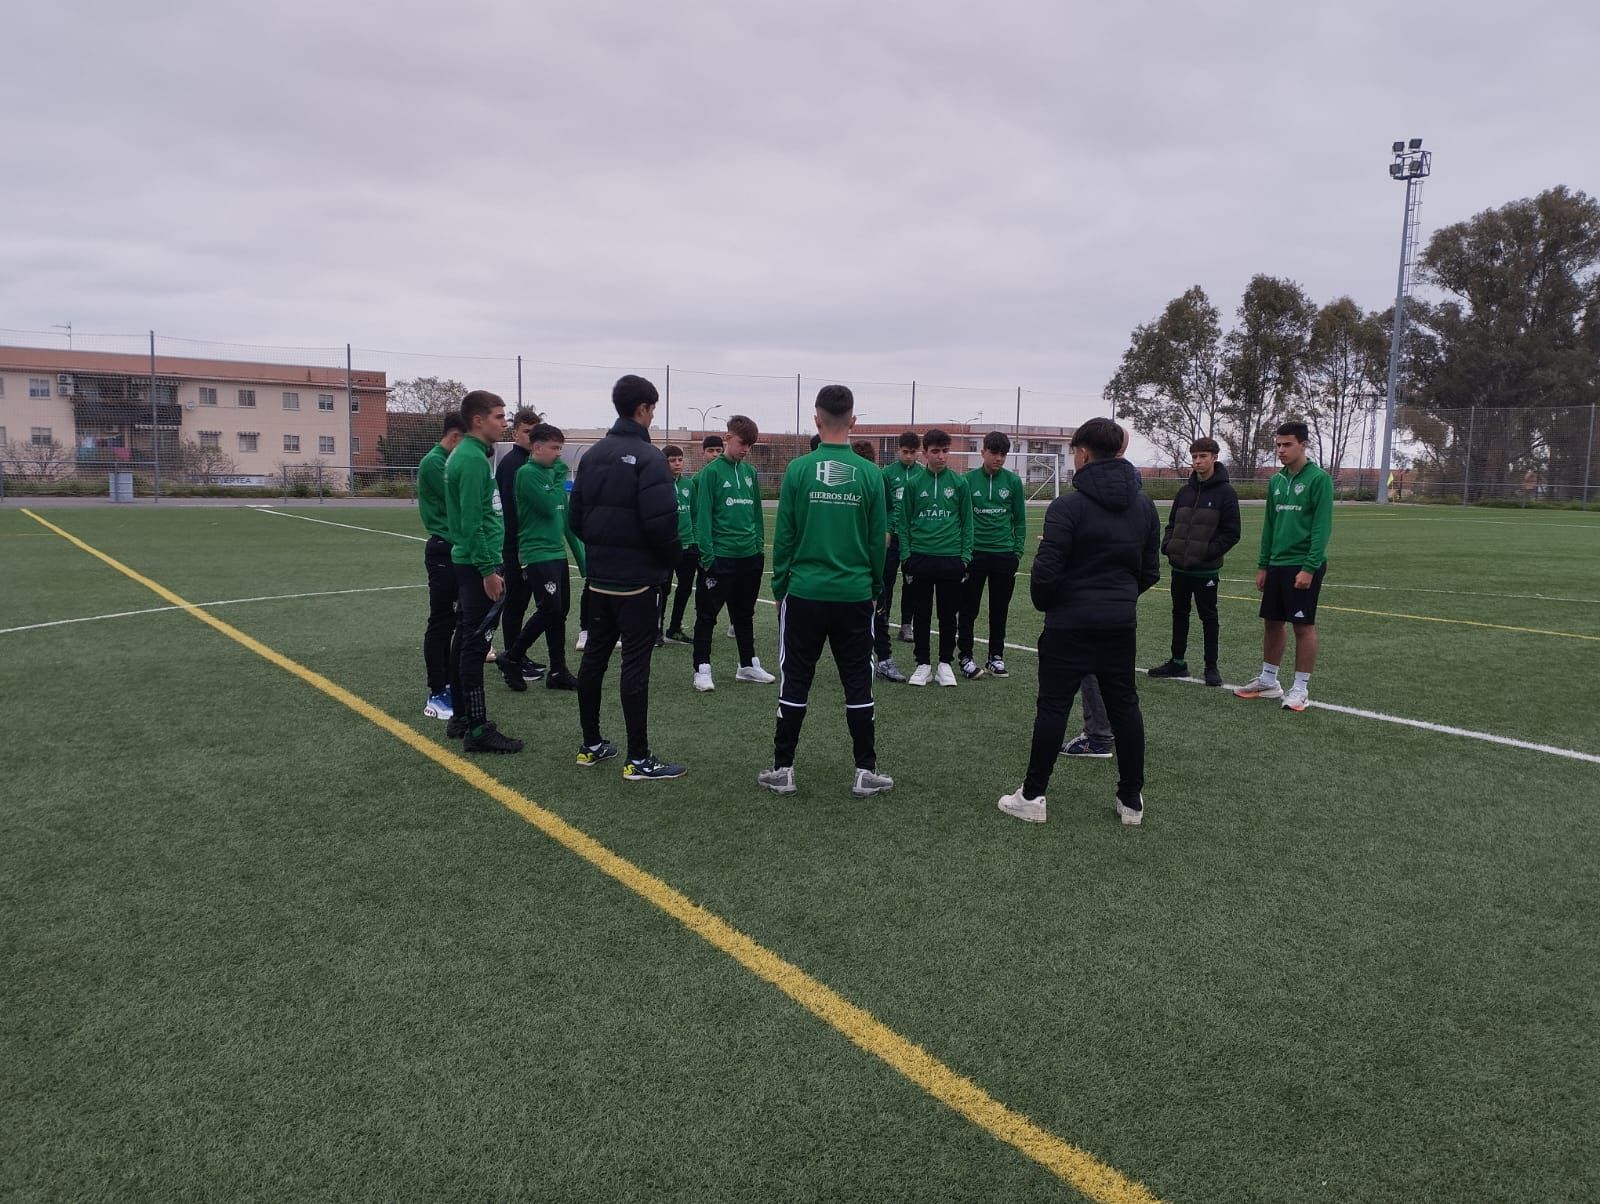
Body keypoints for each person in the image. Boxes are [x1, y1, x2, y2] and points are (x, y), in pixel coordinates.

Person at [998, 417, 1158, 825]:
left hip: (1069, 625)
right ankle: (1131, 801)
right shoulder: (1143, 505)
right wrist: (1119, 599)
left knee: (1052, 707)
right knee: (1125, 707)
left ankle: (1032, 797)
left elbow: (1046, 575)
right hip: (1119, 625)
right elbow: (1149, 571)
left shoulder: (1067, 505)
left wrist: (1057, 603)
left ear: (1084, 453)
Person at [758, 385, 894, 798]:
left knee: (795, 679)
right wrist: (874, 589)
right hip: (854, 595)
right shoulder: (871, 474)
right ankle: (864, 771)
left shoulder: (799, 471)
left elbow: (784, 538)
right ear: (853, 421)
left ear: (816, 420)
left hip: (804, 593)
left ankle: (783, 770)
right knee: (858, 681)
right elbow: (878, 543)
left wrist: (781, 586)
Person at [567, 375, 685, 779]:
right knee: (635, 664)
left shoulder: (593, 454)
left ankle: (591, 744)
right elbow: (662, 525)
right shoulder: (650, 457)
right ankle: (639, 758)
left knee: (596, 659)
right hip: (636, 582)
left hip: (599, 578)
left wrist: (604, 550)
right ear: (643, 409)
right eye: (653, 408)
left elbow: (576, 519)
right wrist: (670, 561)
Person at [1234, 421, 1333, 713]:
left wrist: (1310, 567)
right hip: (1277, 564)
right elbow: (1269, 525)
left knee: (1303, 625)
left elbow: (1321, 528)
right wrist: (1263, 565)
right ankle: (1268, 680)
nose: (1280, 450)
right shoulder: (1276, 481)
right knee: (1272, 622)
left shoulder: (1319, 479)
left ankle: (1300, 688)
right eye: (1277, 445)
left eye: (1287, 444)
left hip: (1302, 565)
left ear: (1303, 444)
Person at [445, 390, 523, 753]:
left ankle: (461, 716)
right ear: (478, 420)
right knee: (476, 644)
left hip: (473, 560)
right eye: (498, 416)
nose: (504, 423)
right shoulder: (472, 460)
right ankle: (477, 729)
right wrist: (487, 571)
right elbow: (472, 522)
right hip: (479, 564)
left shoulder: (470, 455)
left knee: (465, 639)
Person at [1147, 436, 1240, 687]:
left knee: (1208, 617)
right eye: (1195, 456)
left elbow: (1232, 533)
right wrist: (1168, 546)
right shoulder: (1185, 491)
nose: (1198, 461)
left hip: (1205, 571)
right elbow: (1172, 523)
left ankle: (1212, 667)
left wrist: (1207, 553)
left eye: (1203, 456)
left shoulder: (1226, 493)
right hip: (1180, 568)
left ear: (1214, 457)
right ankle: (1177, 662)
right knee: (1179, 614)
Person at [691, 414, 774, 691]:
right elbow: (703, 518)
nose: (746, 449)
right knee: (707, 615)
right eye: (742, 443)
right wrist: (708, 556)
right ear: (728, 439)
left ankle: (747, 665)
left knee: (744, 614)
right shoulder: (710, 474)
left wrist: (758, 547)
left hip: (749, 557)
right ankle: (702, 668)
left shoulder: (750, 474)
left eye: (750, 445)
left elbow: (756, 515)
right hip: (720, 558)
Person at [507, 423, 585, 691]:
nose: (558, 455)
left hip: (555, 552)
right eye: (554, 448)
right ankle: (512, 657)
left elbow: (563, 518)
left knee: (559, 612)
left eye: (560, 449)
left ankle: (558, 670)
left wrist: (581, 558)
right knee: (549, 608)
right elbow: (548, 505)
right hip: (537, 552)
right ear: (536, 448)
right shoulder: (527, 474)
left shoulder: (550, 475)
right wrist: (559, 476)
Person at [900, 428, 971, 687]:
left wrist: (964, 557)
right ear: (925, 453)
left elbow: (967, 523)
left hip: (951, 559)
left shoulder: (960, 483)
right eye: (935, 451)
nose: (941, 456)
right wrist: (907, 555)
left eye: (945, 451)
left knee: (948, 614)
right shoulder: (914, 484)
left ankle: (944, 665)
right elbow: (904, 522)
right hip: (920, 558)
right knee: (921, 614)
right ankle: (923, 665)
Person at [958, 431, 1027, 680]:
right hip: (974, 555)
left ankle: (995, 657)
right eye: (994, 453)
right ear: (983, 452)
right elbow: (961, 519)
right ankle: (965, 656)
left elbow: (1019, 520)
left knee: (999, 610)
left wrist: (1016, 551)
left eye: (1003, 454)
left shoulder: (1013, 482)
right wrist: (964, 552)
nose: (999, 458)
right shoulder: (966, 481)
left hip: (1003, 556)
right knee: (968, 609)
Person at [418, 411, 466, 722]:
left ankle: (453, 683)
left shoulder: (449, 460)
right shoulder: (435, 463)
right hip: (444, 550)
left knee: (460, 622)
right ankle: (437, 691)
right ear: (456, 438)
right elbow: (459, 503)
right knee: (442, 623)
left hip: (458, 549)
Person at [494, 409, 545, 690]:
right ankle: (510, 659)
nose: (531, 437)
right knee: (515, 604)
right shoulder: (514, 464)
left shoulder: (529, 462)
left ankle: (518, 654)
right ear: (515, 434)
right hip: (516, 546)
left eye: (535, 432)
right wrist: (518, 548)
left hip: (525, 544)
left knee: (523, 603)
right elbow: (512, 511)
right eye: (527, 432)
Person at [874, 431, 922, 680]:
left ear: (918, 452)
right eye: (905, 452)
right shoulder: (887, 474)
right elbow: (885, 507)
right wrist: (888, 530)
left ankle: (906, 624)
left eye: (913, 452)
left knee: (911, 583)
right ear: (898, 451)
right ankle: (885, 622)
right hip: (892, 538)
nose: (909, 456)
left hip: (913, 538)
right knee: (887, 582)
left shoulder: (922, 474)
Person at [659, 444, 698, 643]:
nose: (677, 464)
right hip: (666, 547)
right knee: (662, 589)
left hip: (688, 546)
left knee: (685, 588)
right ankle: (656, 630)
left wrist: (695, 541)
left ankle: (674, 628)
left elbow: (694, 514)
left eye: (680, 459)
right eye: (672, 460)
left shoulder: (689, 485)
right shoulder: (658, 485)